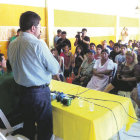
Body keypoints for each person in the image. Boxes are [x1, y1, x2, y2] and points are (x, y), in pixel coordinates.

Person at [8, 11, 59, 140]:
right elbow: (54, 68)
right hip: (38, 93)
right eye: (40, 27)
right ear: (33, 28)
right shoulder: (38, 44)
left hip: (22, 91)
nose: (40, 30)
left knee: (29, 126)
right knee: (44, 129)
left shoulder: (12, 44)